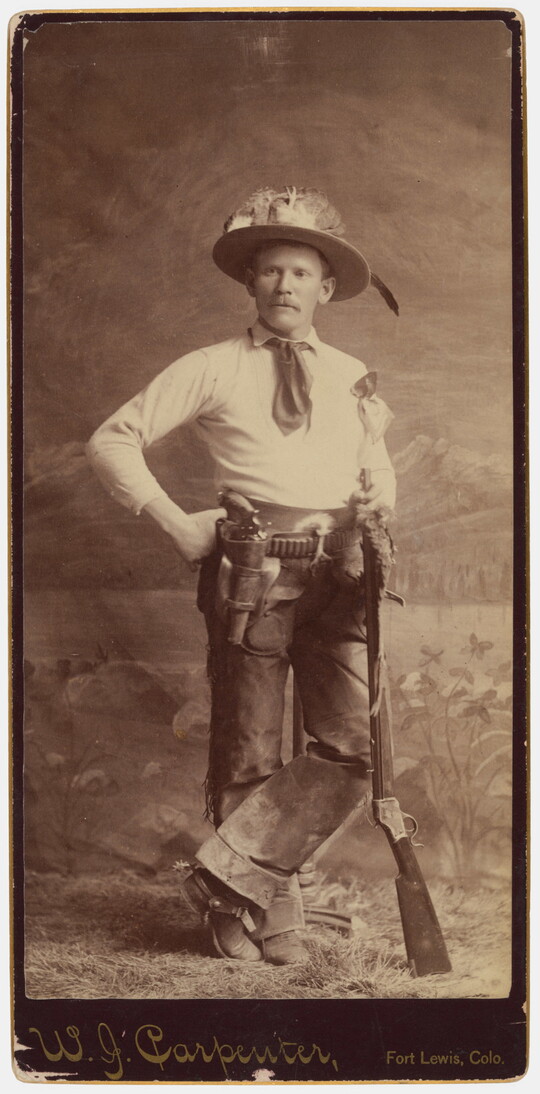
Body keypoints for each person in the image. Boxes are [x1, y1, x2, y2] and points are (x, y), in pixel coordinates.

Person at [87, 185, 397, 966]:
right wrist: (176, 521)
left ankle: (230, 883)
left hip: (340, 573)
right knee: (249, 748)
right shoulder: (211, 367)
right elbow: (112, 440)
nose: (284, 286)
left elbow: (378, 470)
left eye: (300, 272)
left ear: (326, 288)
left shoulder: (354, 375)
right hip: (253, 574)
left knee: (352, 747)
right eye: (270, 271)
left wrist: (376, 498)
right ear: (249, 283)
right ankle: (258, 911)